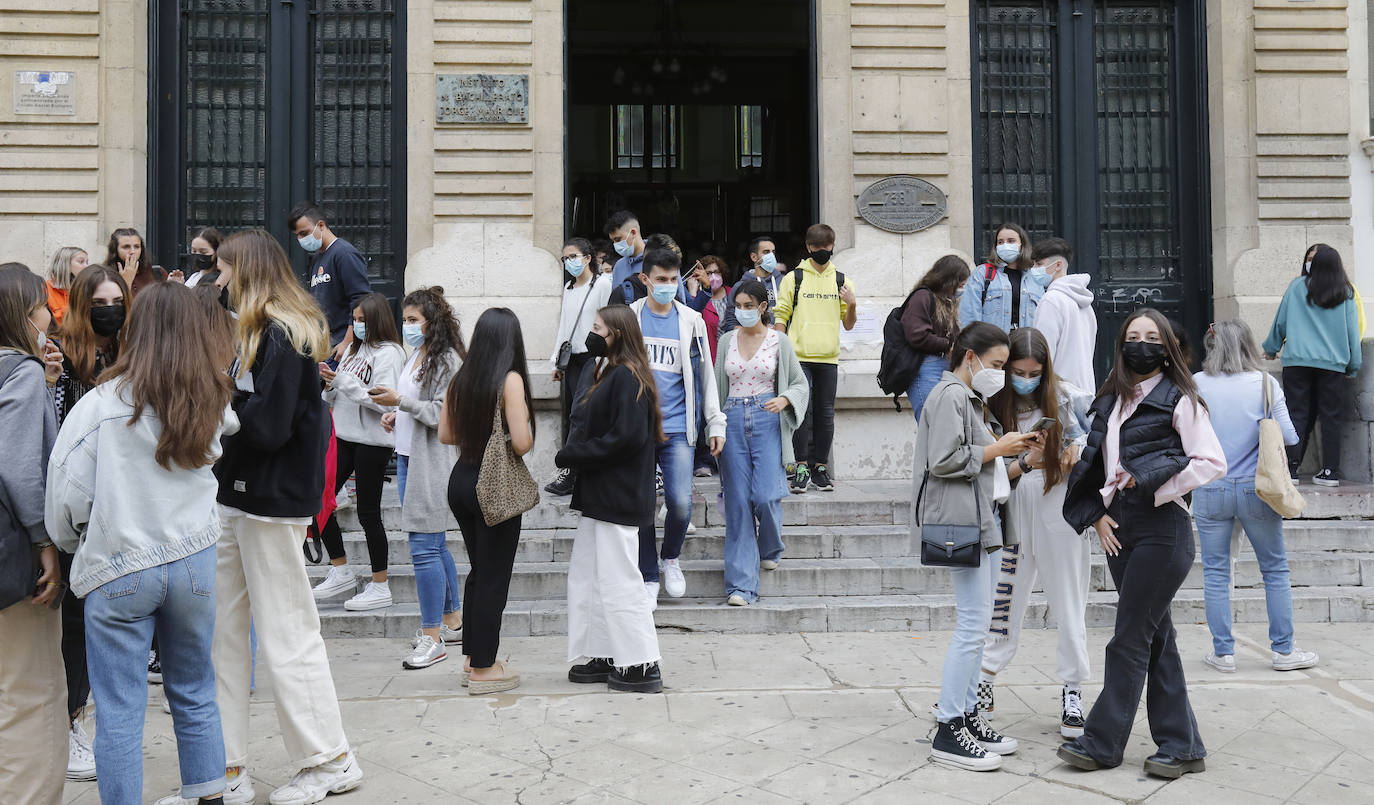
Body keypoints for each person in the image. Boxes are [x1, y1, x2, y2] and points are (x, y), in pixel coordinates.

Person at [48, 282, 235, 804]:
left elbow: (66, 492)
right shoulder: (209, 400)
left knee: (120, 708)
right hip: (194, 560)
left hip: (121, 561)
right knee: (196, 691)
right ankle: (209, 797)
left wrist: (71, 542)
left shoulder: (102, 404)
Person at [210, 229, 363, 804]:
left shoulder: (282, 333)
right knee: (222, 635)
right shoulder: (258, 332)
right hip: (238, 497)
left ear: (246, 271)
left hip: (270, 500)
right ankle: (224, 769)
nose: (217, 281)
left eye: (224, 270)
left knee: (287, 632)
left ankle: (329, 760)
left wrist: (219, 399)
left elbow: (269, 427)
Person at [1058, 307, 1225, 779]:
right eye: (1133, 335)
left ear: (1167, 345)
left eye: (1152, 336)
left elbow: (1211, 462)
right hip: (1121, 530)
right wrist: (1098, 516)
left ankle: (1102, 741)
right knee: (1157, 641)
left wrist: (1158, 489)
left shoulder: (1181, 399)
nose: (1142, 343)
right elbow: (1096, 468)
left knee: (1129, 638)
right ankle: (1183, 745)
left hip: (1163, 529)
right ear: (1121, 344)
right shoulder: (1111, 400)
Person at [915, 322, 1035, 772]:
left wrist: (1013, 451)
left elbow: (981, 457)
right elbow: (944, 460)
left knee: (979, 622)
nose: (1001, 373)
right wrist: (998, 448)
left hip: (979, 519)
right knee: (971, 625)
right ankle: (949, 727)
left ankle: (966, 716)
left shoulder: (968, 398)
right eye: (998, 365)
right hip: (960, 522)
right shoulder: (949, 396)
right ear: (971, 358)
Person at [980, 327, 1092, 740]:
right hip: (1011, 508)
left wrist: (1067, 454)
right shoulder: (991, 403)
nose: (1025, 378)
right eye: (1017, 370)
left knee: (1068, 601)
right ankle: (985, 680)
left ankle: (1073, 690)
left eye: (1034, 372)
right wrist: (1026, 461)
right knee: (1003, 598)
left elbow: (1092, 450)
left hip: (1058, 509)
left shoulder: (1069, 398)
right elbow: (989, 472)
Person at [1194, 320, 1318, 673]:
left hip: (1211, 487)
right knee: (1274, 570)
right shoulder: (1265, 383)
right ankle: (1283, 651)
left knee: (1216, 572)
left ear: (1212, 346)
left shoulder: (1197, 383)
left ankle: (1223, 653)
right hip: (1256, 487)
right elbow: (1291, 436)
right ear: (1248, 345)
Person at [556, 305, 666, 692]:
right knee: (590, 578)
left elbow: (627, 438)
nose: (592, 332)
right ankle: (606, 651)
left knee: (620, 579)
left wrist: (574, 454)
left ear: (616, 333)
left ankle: (640, 663)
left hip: (618, 495)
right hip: (601, 494)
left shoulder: (627, 376)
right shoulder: (609, 371)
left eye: (598, 327)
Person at [49, 263, 129, 782]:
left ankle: (85, 712)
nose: (109, 310)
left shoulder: (128, 354)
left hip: (120, 507)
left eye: (116, 300)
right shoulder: (61, 360)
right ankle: (70, 723)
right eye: (99, 302)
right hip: (75, 511)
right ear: (82, 305)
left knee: (103, 623)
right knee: (73, 625)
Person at [439, 307, 534, 694]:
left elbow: (445, 434)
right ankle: (483, 669)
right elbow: (523, 443)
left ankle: (473, 657)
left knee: (479, 570)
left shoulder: (460, 378)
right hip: (492, 483)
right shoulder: (509, 380)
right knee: (494, 576)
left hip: (461, 478)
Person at [371, 288, 466, 669]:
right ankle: (453, 621)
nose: (407, 326)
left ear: (432, 322)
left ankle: (431, 638)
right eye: (405, 319)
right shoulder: (420, 355)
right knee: (434, 545)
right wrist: (399, 414)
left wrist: (401, 404)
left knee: (424, 548)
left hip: (432, 461)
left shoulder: (446, 360)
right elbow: (418, 405)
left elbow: (444, 414)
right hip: (410, 455)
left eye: (413, 320)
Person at [0, 263, 66, 805]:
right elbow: (22, 468)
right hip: (12, 556)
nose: (51, 313)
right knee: (33, 691)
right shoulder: (18, 372)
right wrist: (46, 543)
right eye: (43, 303)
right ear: (24, 313)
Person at [629, 248, 726, 605]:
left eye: (673, 280)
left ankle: (671, 557)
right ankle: (648, 575)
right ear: (645, 281)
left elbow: (706, 377)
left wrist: (715, 422)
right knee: (640, 506)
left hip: (678, 429)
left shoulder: (690, 321)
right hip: (637, 431)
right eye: (661, 280)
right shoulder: (630, 318)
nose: (668, 286)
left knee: (680, 504)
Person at [713, 280, 809, 605]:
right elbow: (717, 387)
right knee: (738, 502)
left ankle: (770, 545)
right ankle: (740, 586)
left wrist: (785, 399)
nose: (742, 311)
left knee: (766, 495)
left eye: (748, 305)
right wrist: (714, 426)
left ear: (762, 307)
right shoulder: (726, 340)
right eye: (737, 305)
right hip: (733, 418)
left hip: (768, 418)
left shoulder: (779, 341)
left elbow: (799, 382)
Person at [313, 292, 407, 611]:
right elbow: (338, 399)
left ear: (377, 319)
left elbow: (382, 399)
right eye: (354, 320)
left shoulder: (390, 353)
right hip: (343, 437)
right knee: (320, 501)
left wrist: (342, 381)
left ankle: (380, 584)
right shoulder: (354, 350)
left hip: (372, 442)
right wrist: (329, 386)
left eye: (362, 320)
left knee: (368, 513)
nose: (356, 325)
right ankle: (340, 569)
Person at [1262, 243, 1361, 487]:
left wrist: (1271, 348)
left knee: (1296, 414)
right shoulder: (1345, 292)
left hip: (1297, 362)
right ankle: (1330, 472)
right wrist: (1353, 366)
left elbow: (1281, 323)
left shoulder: (1296, 287)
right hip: (1333, 365)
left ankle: (1292, 469)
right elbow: (1352, 332)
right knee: (1331, 418)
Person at [772, 223, 857, 493]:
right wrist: (779, 353)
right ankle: (801, 467)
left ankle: (820, 467)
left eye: (827, 247)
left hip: (828, 358)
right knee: (801, 414)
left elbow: (850, 324)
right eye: (818, 248)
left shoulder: (841, 281)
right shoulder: (794, 278)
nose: (823, 252)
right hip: (798, 357)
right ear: (809, 247)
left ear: (833, 246)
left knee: (825, 415)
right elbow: (781, 317)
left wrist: (852, 304)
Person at [545, 237, 612, 498]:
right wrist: (556, 360)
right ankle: (578, 470)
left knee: (580, 414)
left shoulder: (603, 284)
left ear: (587, 258)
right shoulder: (569, 287)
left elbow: (609, 319)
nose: (568, 262)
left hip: (593, 357)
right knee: (576, 413)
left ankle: (570, 471)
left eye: (573, 256)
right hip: (571, 358)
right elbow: (564, 323)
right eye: (565, 258)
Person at [288, 201, 373, 361]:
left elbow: (361, 300)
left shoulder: (344, 254)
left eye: (304, 233)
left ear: (320, 225)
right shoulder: (317, 259)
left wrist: (348, 342)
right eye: (298, 235)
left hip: (341, 346)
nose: (301, 239)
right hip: (324, 345)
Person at [903, 255, 970, 420]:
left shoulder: (946, 301)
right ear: (948, 280)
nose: (962, 288)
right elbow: (917, 335)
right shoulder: (922, 297)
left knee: (944, 424)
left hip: (944, 366)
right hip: (926, 368)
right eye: (960, 284)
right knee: (932, 424)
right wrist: (948, 345)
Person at [1030, 237, 1097, 392]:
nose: (1033, 269)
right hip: (1085, 390)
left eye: (1039, 264)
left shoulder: (1050, 301)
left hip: (1059, 394)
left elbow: (1043, 353)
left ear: (1058, 265)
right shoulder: (1085, 303)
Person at [960, 223, 1043, 333]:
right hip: (992, 344)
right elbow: (969, 315)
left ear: (1022, 245)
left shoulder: (1034, 277)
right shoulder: (983, 273)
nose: (1005, 245)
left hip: (1026, 344)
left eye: (1011, 241)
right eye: (1000, 242)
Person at [719, 236, 786, 333]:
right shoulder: (740, 286)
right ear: (754, 257)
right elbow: (730, 323)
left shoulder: (785, 282)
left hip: (780, 341)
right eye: (766, 252)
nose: (771, 256)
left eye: (773, 252)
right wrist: (756, 332)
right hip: (751, 343)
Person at [106, 227, 166, 297]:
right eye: (126, 247)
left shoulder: (157, 273)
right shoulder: (106, 276)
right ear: (115, 250)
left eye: (136, 247)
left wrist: (172, 286)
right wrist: (125, 283)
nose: (132, 251)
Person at [607, 210, 647, 305]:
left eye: (618, 239)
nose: (615, 245)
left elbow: (679, 301)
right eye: (613, 241)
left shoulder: (661, 259)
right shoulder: (619, 266)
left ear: (633, 233)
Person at [44, 246, 89, 326]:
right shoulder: (45, 290)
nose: (86, 266)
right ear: (65, 264)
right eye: (81, 262)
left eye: (87, 262)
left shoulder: (85, 290)